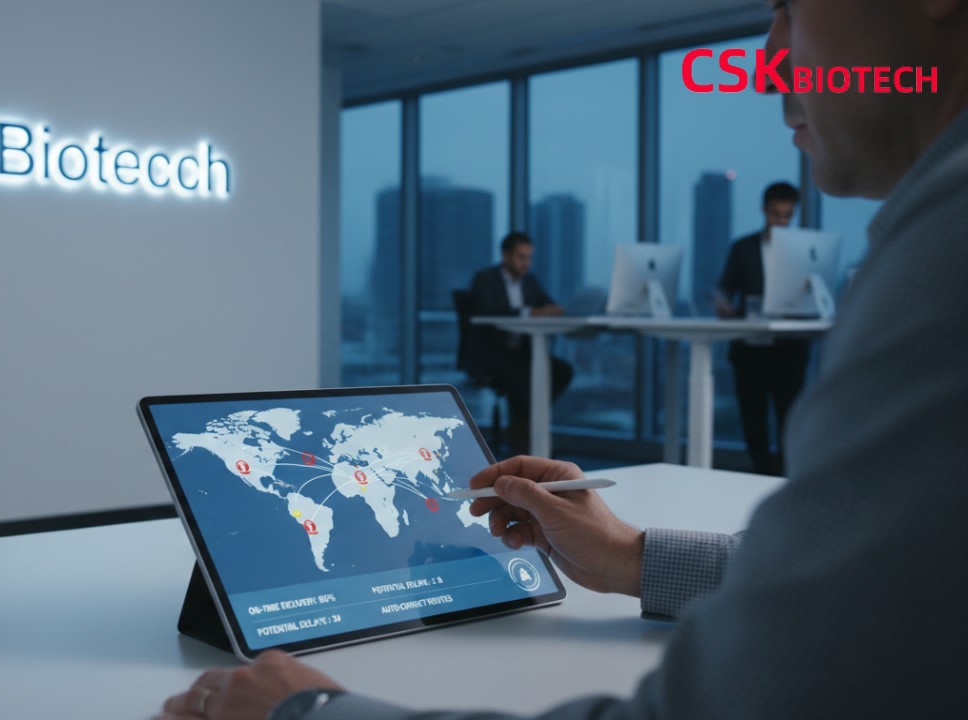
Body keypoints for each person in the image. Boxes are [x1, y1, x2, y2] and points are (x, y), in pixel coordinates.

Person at [158, 1, 968, 717]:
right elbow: (900, 598)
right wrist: (632, 559)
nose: (769, 60)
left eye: (790, 6)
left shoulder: (947, 252)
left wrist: (310, 714)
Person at [714, 181, 808, 475]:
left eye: (787, 215)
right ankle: (760, 478)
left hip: (788, 348)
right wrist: (723, 306)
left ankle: (784, 481)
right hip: (750, 348)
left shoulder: (804, 251)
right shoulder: (743, 248)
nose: (781, 221)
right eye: (776, 214)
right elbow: (724, 289)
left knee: (790, 421)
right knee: (753, 422)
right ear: (763, 211)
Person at [463, 232, 574, 455]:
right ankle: (523, 431)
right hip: (492, 354)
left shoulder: (530, 282)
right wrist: (530, 311)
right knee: (526, 376)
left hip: (522, 353)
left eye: (529, 258)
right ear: (505, 255)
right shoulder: (485, 279)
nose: (526, 263)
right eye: (521, 257)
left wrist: (550, 310)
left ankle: (525, 425)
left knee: (562, 371)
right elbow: (486, 311)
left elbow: (549, 305)